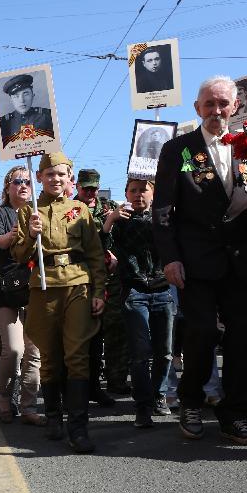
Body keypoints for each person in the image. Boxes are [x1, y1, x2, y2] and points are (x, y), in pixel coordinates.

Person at [152, 75, 247, 445]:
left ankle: (236, 414)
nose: (217, 111)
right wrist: (170, 258)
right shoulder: (178, 149)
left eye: (223, 104)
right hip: (195, 261)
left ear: (235, 107)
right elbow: (163, 210)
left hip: (240, 259)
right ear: (197, 108)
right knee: (202, 332)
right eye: (209, 104)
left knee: (243, 338)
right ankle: (191, 402)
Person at [12, 151, 107, 453]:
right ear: (39, 177)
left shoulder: (80, 210)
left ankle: (78, 428)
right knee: (50, 357)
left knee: (77, 356)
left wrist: (99, 291)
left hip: (78, 285)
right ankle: (54, 417)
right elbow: (18, 255)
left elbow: (95, 254)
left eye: (61, 174)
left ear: (70, 179)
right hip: (43, 288)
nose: (55, 179)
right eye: (49, 173)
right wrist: (29, 235)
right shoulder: (29, 211)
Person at [105, 178, 174, 427]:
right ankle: (142, 407)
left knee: (165, 352)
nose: (138, 195)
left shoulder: (165, 219)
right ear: (125, 194)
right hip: (134, 293)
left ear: (154, 193)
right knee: (139, 354)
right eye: (132, 191)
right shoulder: (121, 222)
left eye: (143, 190)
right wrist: (111, 219)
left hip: (163, 291)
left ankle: (159, 396)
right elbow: (102, 246)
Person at [0, 166, 44, 425]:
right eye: (17, 181)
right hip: (7, 289)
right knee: (14, 349)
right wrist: (24, 232)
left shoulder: (39, 212)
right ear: (7, 186)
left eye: (27, 182)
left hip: (34, 288)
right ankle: (3, 398)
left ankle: (29, 405)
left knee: (34, 351)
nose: (23, 185)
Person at [74, 169, 122, 405]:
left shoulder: (108, 205)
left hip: (107, 277)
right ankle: (79, 389)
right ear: (77, 186)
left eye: (94, 188)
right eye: (86, 188)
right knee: (82, 337)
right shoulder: (70, 209)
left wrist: (116, 255)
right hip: (81, 276)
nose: (91, 193)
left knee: (105, 333)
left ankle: (102, 385)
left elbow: (122, 235)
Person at [0, 74, 54, 147]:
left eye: (25, 94)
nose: (22, 100)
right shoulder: (3, 123)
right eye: (16, 96)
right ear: (11, 100)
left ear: (33, 95)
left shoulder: (47, 115)